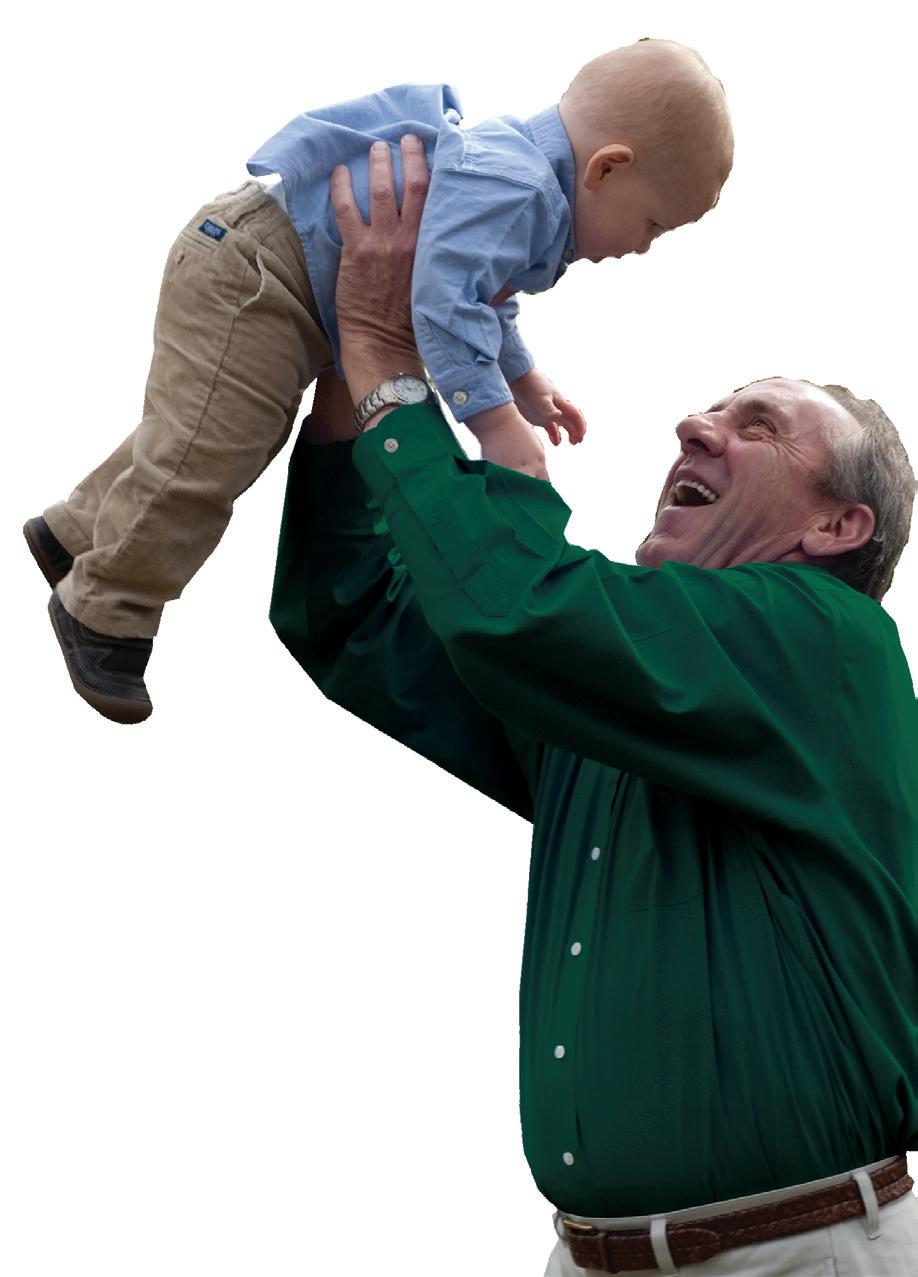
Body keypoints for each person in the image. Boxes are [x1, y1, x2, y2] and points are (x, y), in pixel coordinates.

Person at [269, 136, 918, 1273]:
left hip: (804, 1250)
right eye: (715, 407)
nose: (696, 427)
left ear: (836, 528)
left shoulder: (826, 639)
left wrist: (391, 367)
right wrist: (343, 378)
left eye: (760, 425)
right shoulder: (615, 689)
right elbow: (358, 619)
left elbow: (513, 609)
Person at [23, 37, 732, 725]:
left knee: (206, 434)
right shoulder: (515, 186)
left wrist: (522, 378)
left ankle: (78, 532)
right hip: (259, 274)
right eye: (652, 224)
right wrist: (495, 424)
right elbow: (443, 305)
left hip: (274, 277)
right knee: (209, 452)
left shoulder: (522, 186)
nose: (643, 247)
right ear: (607, 168)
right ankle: (106, 608)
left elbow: (484, 295)